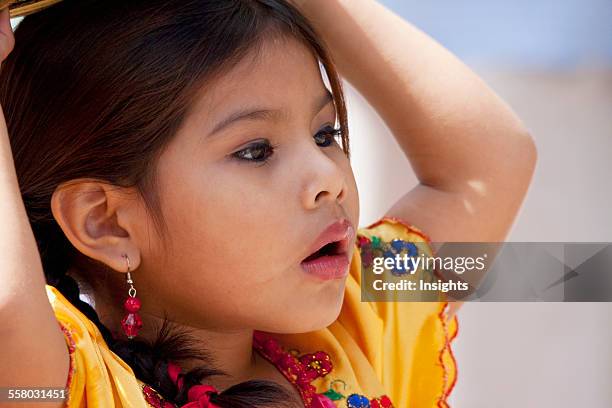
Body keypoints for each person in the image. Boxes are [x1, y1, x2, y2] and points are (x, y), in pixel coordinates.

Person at [0, 0, 537, 407]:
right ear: (107, 223)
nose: (328, 178)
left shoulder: (358, 331)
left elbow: (487, 169)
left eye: (326, 134)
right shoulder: (59, 391)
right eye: (255, 151)